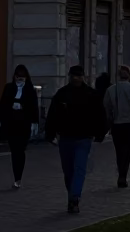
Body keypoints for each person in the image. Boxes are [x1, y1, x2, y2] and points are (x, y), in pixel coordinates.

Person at [46, 65, 106, 214]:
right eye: (73, 75)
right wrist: (50, 133)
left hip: (84, 137)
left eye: (78, 76)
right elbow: (53, 114)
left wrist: (99, 133)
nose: (75, 78)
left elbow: (100, 115)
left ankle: (74, 197)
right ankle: (72, 196)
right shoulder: (62, 94)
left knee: (79, 169)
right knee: (68, 171)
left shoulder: (91, 95)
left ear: (83, 77)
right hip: (65, 137)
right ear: (70, 76)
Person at [0, 64, 40, 189]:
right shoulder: (9, 88)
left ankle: (18, 176)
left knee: (20, 151)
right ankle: (17, 177)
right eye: (17, 77)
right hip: (12, 124)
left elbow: (33, 107)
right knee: (15, 151)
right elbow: (3, 104)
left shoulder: (30, 90)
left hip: (24, 124)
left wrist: (34, 122)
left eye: (22, 77)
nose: (19, 80)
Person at [102, 65, 130, 188]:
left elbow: (107, 107)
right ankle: (123, 174)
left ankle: (121, 173)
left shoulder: (111, 90)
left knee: (119, 151)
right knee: (128, 150)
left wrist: (110, 120)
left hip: (117, 124)